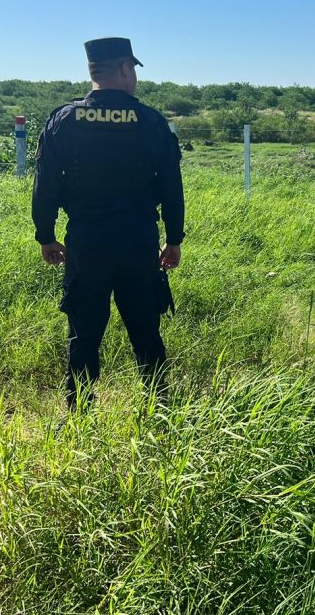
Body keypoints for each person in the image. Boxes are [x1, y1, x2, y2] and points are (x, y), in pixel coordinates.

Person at [32, 37, 185, 409]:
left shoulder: (64, 120)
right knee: (146, 328)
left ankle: (80, 412)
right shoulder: (150, 121)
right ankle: (158, 407)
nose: (134, 77)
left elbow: (46, 183)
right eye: (132, 69)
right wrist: (174, 238)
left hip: (87, 243)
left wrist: (47, 236)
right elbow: (171, 186)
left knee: (83, 332)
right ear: (123, 69)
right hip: (138, 241)